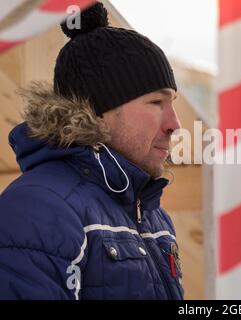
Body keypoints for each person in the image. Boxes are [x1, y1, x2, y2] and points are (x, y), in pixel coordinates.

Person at [0, 2, 184, 299]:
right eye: (156, 103)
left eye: (173, 102)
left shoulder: (152, 214)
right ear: (97, 112)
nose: (175, 123)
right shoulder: (37, 208)